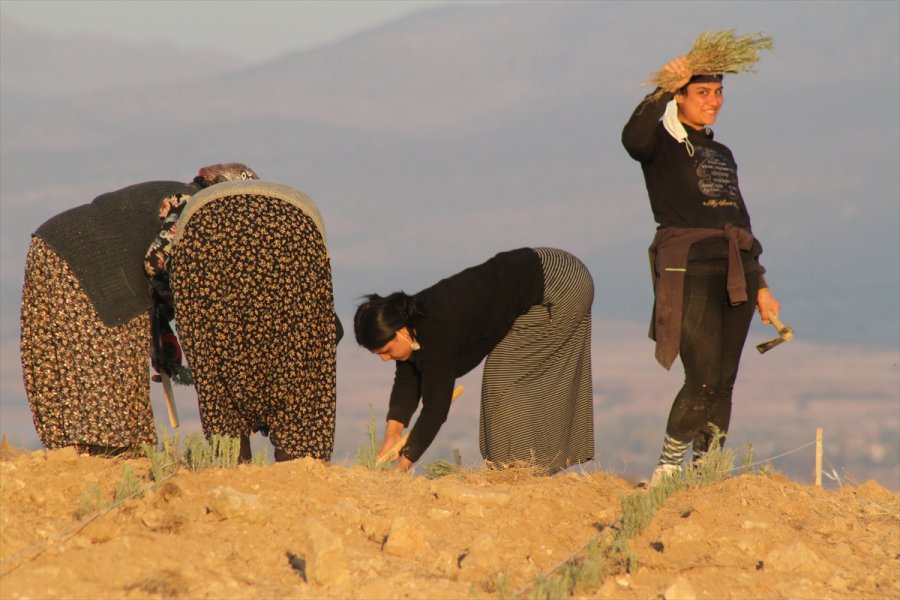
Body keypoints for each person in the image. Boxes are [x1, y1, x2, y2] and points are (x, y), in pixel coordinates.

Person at [621, 55, 782, 486]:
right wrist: (661, 85)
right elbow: (632, 137)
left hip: (737, 274)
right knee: (703, 376)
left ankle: (704, 472)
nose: (713, 101)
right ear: (680, 97)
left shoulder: (721, 153)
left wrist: (761, 284)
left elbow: (742, 222)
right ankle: (668, 469)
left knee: (725, 380)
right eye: (702, 93)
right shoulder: (661, 145)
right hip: (687, 269)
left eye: (718, 92)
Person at [20, 163, 256, 456]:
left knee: (58, 361)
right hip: (91, 265)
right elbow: (156, 263)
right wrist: (181, 315)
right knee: (111, 369)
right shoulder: (193, 209)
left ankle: (74, 454)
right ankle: (110, 458)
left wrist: (162, 331)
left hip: (52, 247)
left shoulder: (179, 196)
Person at [353, 247, 595, 474]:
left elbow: (435, 409)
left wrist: (403, 464)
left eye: (385, 350)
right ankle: (515, 469)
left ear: (401, 332)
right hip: (543, 278)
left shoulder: (436, 331)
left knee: (503, 376)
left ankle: (519, 472)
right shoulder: (410, 319)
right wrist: (392, 433)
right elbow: (409, 376)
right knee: (503, 374)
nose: (385, 359)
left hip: (561, 283)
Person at [153, 180, 342, 463]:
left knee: (217, 379)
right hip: (295, 230)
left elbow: (153, 266)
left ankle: (233, 462)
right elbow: (325, 323)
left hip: (203, 240)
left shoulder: (187, 211)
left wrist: (167, 324)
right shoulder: (281, 209)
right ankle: (300, 464)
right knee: (301, 385)